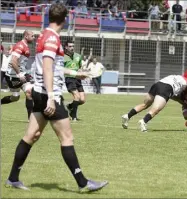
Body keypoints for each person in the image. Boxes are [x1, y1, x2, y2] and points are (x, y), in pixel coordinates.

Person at [5, 3, 108, 192]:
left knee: (32, 135)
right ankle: (83, 183)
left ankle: (12, 178)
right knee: (67, 137)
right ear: (65, 19)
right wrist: (52, 97)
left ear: (48, 17)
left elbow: (54, 67)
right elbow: (46, 67)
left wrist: (76, 74)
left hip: (39, 91)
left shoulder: (44, 35)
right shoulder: (52, 37)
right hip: (47, 94)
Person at [121, 74, 187, 132]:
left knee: (144, 104)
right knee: (156, 109)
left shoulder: (177, 76)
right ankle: (144, 121)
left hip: (157, 84)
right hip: (167, 88)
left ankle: (127, 116)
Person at [1, 30, 35, 120]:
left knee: (29, 91)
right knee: (15, 97)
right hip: (13, 76)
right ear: (26, 36)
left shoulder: (26, 45)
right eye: (32, 35)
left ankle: (30, 118)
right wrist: (19, 74)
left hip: (22, 73)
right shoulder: (20, 45)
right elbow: (13, 61)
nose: (34, 37)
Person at [64, 40, 86, 121]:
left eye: (73, 46)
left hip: (78, 79)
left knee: (82, 100)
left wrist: (82, 72)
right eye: (70, 46)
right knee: (76, 96)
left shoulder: (78, 56)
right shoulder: (63, 57)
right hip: (69, 78)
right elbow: (61, 69)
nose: (72, 48)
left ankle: (69, 106)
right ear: (66, 47)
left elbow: (80, 67)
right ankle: (74, 117)